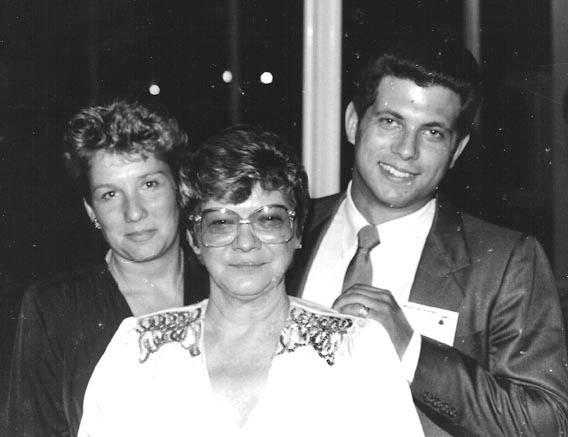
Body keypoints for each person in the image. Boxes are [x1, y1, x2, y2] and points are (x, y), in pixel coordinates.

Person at [287, 40, 568, 435]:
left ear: (457, 149)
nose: (406, 150)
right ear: (353, 122)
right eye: (390, 121)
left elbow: (547, 424)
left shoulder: (506, 262)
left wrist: (412, 351)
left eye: (432, 132)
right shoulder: (286, 230)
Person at [77, 126, 424, 436]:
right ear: (195, 238)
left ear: (297, 231)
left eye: (269, 220)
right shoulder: (135, 350)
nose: (246, 243)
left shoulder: (358, 350)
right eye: (222, 223)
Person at [5, 100, 209, 436]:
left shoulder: (225, 288)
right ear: (91, 211)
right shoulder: (54, 308)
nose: (134, 212)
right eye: (111, 194)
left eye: (149, 184)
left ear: (179, 188)